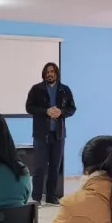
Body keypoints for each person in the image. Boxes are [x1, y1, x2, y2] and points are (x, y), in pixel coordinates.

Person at [25, 62, 77, 205]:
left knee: (55, 167)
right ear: (44, 74)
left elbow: (72, 108)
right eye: (47, 72)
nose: (50, 74)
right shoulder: (36, 89)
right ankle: (36, 197)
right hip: (41, 135)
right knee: (39, 167)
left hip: (58, 135)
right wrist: (45, 111)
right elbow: (29, 107)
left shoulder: (65, 90)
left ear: (56, 73)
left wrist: (62, 112)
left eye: (52, 71)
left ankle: (51, 196)